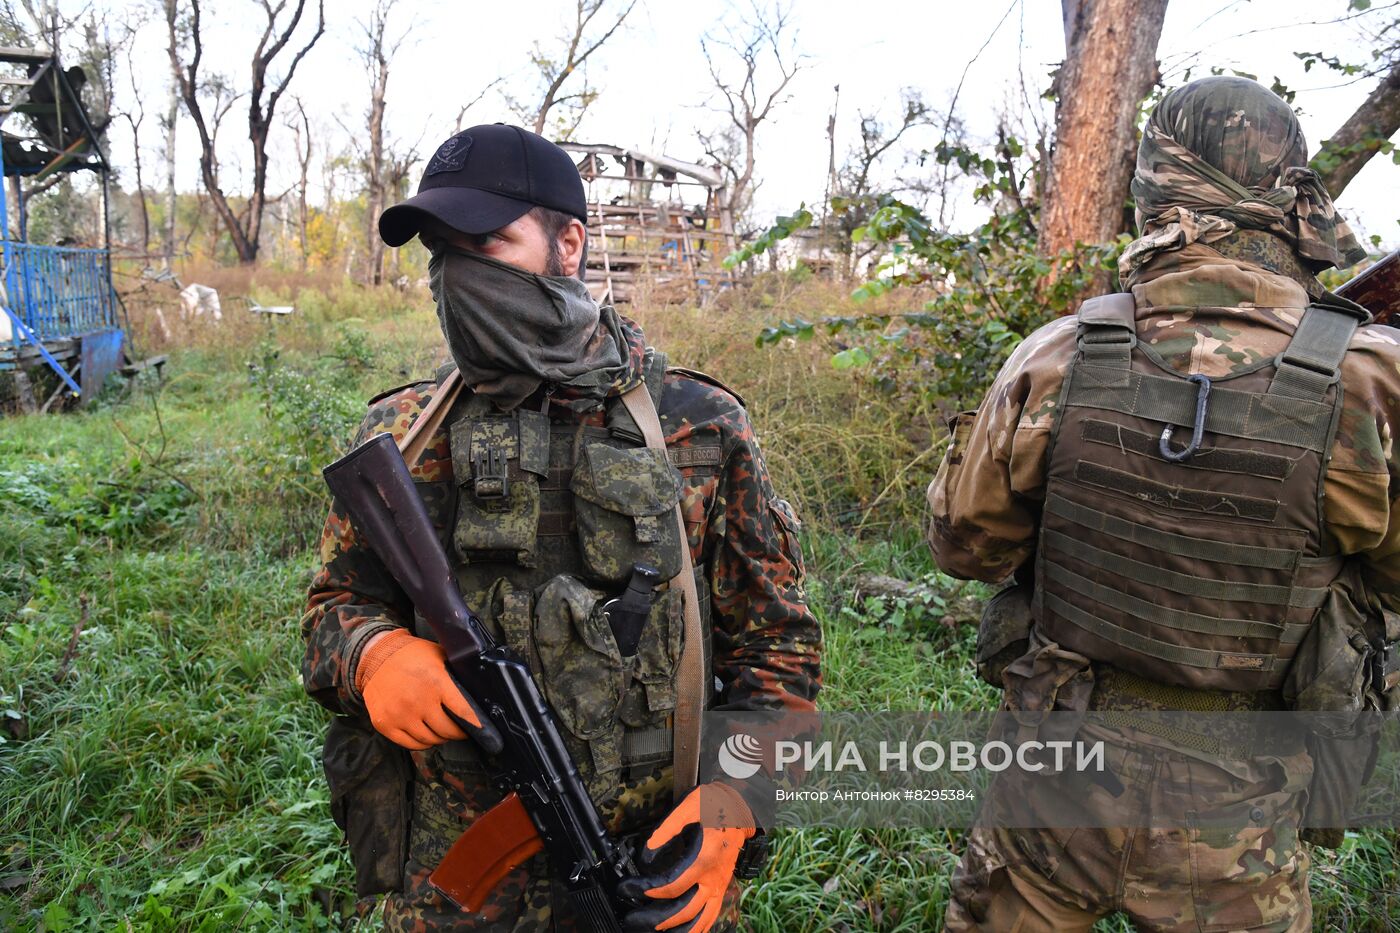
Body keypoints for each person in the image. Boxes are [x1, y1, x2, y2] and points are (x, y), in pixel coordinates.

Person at [301, 123, 821, 932]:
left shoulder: (697, 425)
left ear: (568, 243)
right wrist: (372, 653)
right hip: (457, 885)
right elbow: (335, 604)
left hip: (654, 874)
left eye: (486, 243)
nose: (458, 275)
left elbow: (778, 643)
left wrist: (738, 799)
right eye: (442, 250)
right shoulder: (405, 433)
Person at [927, 76, 1398, 931]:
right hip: (1241, 808)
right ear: (1289, 199)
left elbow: (966, 547)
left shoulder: (1062, 354)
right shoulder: (1371, 381)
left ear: (1152, 190)